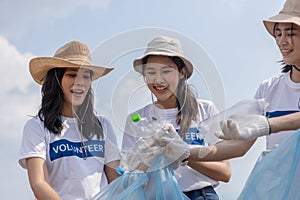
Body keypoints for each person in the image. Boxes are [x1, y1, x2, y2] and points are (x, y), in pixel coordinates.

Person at [121, 36, 231, 200]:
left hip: (201, 195)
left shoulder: (205, 110)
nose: (158, 80)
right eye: (151, 72)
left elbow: (225, 172)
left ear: (182, 73)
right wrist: (150, 156)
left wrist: (184, 155)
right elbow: (128, 180)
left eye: (166, 71)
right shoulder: (136, 120)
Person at [18, 41, 121, 199]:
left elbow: (116, 182)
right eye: (72, 75)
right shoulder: (37, 127)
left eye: (86, 76)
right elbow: (39, 183)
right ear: (56, 80)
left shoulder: (103, 125)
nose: (80, 82)